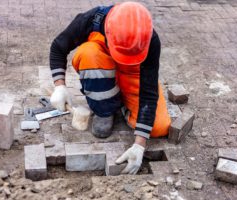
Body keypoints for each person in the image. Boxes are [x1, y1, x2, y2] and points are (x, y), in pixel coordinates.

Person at [49, 1, 171, 174]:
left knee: (158, 127)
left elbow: (149, 93)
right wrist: (59, 86)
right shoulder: (91, 20)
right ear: (108, 32)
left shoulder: (150, 39)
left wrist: (139, 145)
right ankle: (105, 110)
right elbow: (58, 48)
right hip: (102, 64)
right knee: (87, 53)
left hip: (132, 73)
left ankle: (121, 103)